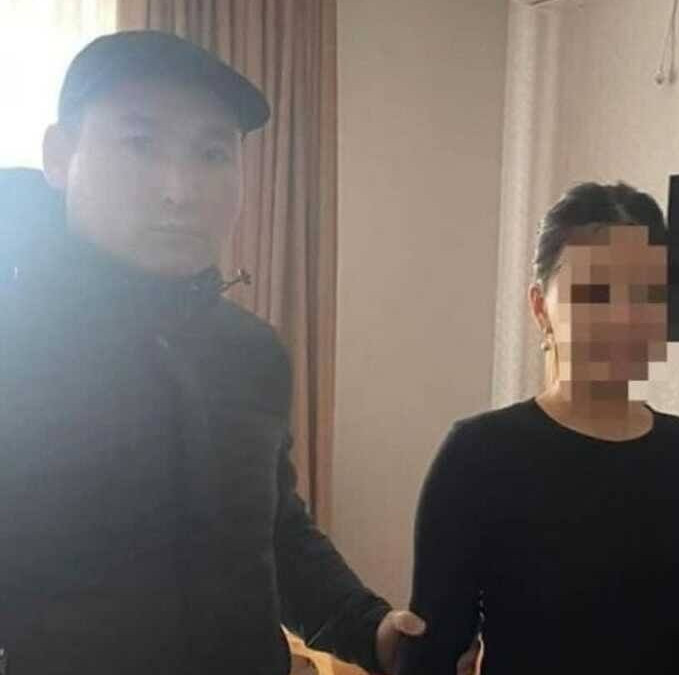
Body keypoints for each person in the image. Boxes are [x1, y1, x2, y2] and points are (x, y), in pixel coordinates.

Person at [0, 30, 425, 675]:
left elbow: (273, 532)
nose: (181, 189)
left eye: (212, 154)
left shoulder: (251, 353)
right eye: (140, 144)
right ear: (61, 157)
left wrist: (372, 630)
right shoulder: (15, 343)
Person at [391, 182, 679, 675]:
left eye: (644, 293)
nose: (623, 317)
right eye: (596, 293)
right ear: (541, 307)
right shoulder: (479, 456)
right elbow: (431, 654)